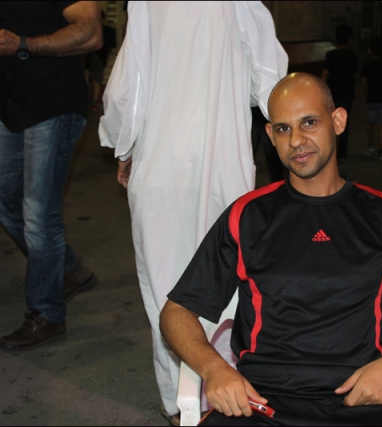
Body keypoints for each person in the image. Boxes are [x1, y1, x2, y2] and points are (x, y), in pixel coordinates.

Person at [160, 73, 382, 426]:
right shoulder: (247, 217)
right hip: (259, 404)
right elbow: (176, 312)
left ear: (338, 121)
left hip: (359, 404)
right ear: (270, 136)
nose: (296, 140)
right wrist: (214, 368)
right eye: (283, 129)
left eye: (309, 122)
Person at [98, 3, 287, 424]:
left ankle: (180, 406)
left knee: (165, 291)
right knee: (229, 290)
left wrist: (123, 147)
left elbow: (126, 91)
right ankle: (228, 397)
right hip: (224, 170)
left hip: (160, 170)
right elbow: (272, 81)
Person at [0, 1, 101, 351]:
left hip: (55, 103)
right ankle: (68, 268)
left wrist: (22, 44)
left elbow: (91, 32)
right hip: (14, 104)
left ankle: (47, 313)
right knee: (2, 200)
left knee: (39, 215)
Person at [321, 24, 358, 162]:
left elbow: (325, 74)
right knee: (344, 123)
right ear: (350, 40)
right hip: (347, 93)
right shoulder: (352, 56)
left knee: (329, 122)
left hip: (332, 94)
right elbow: (355, 76)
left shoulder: (330, 55)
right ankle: (342, 152)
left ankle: (329, 150)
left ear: (335, 38)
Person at [359, 37, 382, 161]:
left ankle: (370, 146)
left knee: (370, 123)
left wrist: (360, 99)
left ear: (370, 51)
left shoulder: (367, 66)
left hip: (372, 98)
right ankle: (381, 150)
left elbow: (363, 83)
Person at [87, 10, 116, 113]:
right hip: (94, 56)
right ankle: (94, 101)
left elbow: (111, 46)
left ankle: (95, 101)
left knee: (96, 76)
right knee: (95, 76)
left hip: (100, 56)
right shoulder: (92, 30)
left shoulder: (107, 31)